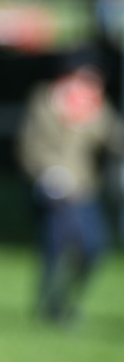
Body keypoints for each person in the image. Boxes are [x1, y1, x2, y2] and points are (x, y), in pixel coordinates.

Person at [18, 51, 124, 324]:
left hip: (84, 188)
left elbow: (112, 138)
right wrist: (45, 172)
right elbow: (29, 144)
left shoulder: (95, 106)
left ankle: (67, 298)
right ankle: (50, 304)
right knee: (56, 248)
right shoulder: (45, 99)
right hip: (52, 189)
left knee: (93, 247)